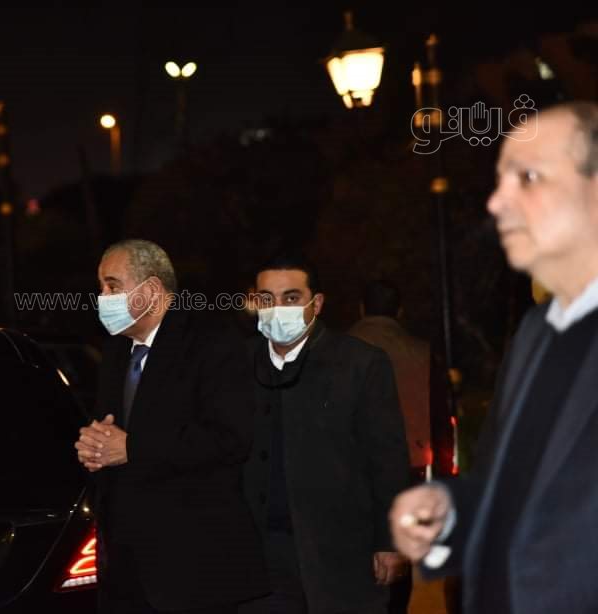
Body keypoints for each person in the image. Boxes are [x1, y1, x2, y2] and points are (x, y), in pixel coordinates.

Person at [390, 102, 598, 614]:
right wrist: (450, 513)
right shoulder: (536, 332)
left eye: (528, 178)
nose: (498, 202)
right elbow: (511, 486)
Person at [75, 239, 268, 614]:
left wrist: (131, 448)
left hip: (192, 565)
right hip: (126, 568)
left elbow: (229, 438)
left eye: (112, 286)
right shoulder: (116, 350)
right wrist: (93, 447)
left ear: (151, 290)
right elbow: (113, 434)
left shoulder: (212, 342)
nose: (102, 297)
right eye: (101, 287)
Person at [240, 254, 411, 614]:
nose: (278, 309)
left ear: (316, 304)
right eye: (267, 299)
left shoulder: (360, 363)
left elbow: (387, 458)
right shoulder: (236, 363)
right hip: (260, 560)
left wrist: (390, 540)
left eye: (291, 298)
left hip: (340, 556)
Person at [349, 279, 432, 614]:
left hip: (353, 470)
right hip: (412, 467)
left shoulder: (341, 350)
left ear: (361, 309)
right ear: (400, 311)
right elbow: (440, 418)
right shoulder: (422, 352)